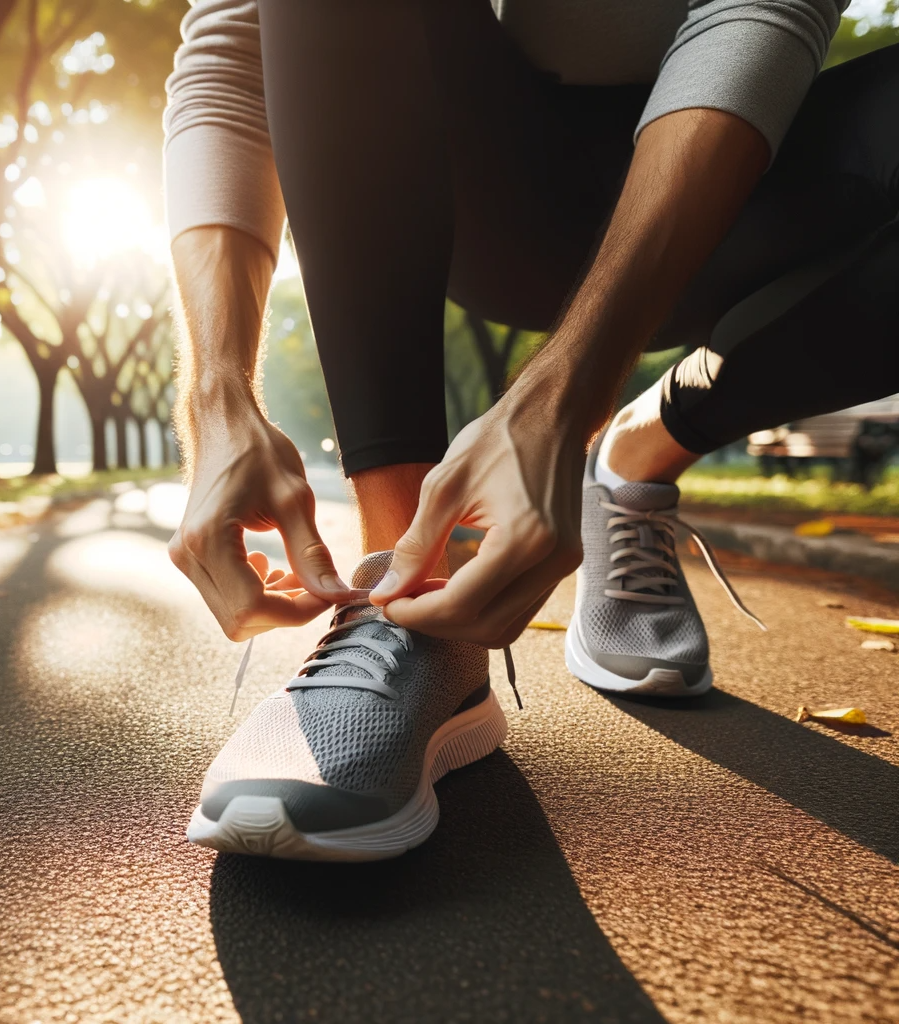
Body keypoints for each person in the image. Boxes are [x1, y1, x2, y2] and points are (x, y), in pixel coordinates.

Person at [164, 0, 899, 860]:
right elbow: (230, 52)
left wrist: (564, 397)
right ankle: (410, 603)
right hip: (476, 182)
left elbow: (760, 11)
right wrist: (214, 398)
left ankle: (636, 454)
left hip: (736, 168)